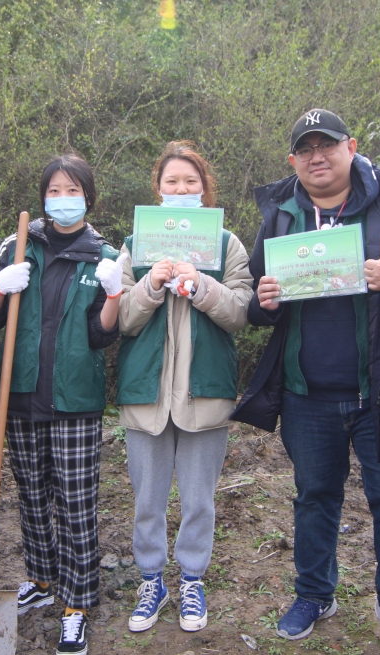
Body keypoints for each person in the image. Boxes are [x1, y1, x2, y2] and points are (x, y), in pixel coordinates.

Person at [232, 109, 380, 655]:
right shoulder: (282, 216)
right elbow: (263, 302)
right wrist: (264, 304)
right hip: (308, 394)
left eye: (327, 145)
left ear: (351, 147)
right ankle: (314, 593)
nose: (317, 157)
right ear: (293, 161)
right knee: (313, 498)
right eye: (305, 149)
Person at [0, 154, 121, 655]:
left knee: (77, 503)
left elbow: (104, 336)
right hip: (19, 392)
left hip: (74, 397)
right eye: (54, 190)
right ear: (43, 196)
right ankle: (40, 579)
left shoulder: (103, 254)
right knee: (31, 494)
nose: (63, 199)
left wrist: (115, 294)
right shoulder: (16, 245)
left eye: (72, 190)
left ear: (88, 197)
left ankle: (77, 601)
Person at [116, 141, 253, 633]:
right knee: (147, 499)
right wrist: (149, 286)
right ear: (158, 189)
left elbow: (242, 312)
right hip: (146, 395)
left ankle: (192, 578)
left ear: (204, 189)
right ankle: (151, 579)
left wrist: (202, 287)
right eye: (172, 182)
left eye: (190, 182)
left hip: (205, 392)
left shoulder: (227, 244)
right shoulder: (134, 244)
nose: (181, 189)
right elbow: (121, 321)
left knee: (199, 499)